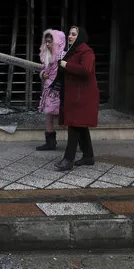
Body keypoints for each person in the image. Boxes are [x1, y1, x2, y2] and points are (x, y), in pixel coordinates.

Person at [54, 26, 99, 171]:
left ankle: (68, 159)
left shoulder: (86, 52)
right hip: (75, 96)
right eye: (69, 34)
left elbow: (86, 70)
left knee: (74, 126)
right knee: (80, 126)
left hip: (82, 97)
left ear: (80, 37)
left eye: (73, 34)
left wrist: (66, 64)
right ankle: (88, 156)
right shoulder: (72, 51)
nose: (70, 37)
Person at [36, 29, 66, 151]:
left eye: (50, 42)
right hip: (48, 90)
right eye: (46, 41)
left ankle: (80, 139)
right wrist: (42, 74)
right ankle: (50, 142)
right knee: (48, 116)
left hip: (58, 90)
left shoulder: (62, 56)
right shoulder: (46, 55)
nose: (47, 44)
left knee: (61, 118)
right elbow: (44, 70)